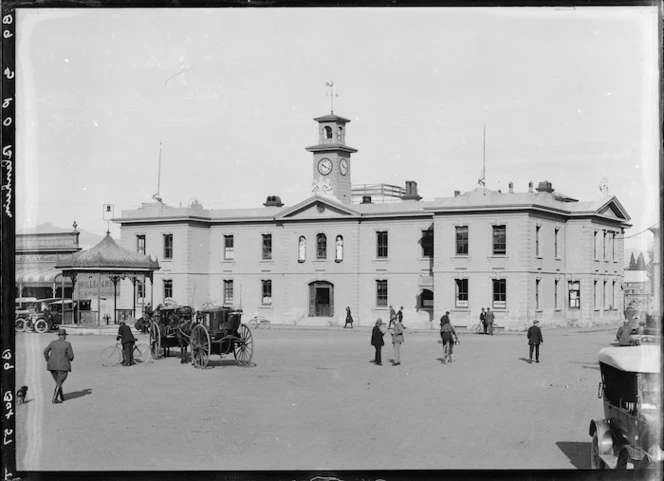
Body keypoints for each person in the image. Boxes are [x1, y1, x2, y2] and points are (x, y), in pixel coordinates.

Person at [43, 328, 74, 404]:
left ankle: (62, 396)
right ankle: (54, 399)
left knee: (58, 382)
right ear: (64, 336)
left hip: (52, 366)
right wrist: (70, 358)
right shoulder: (67, 344)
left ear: (59, 335)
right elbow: (71, 357)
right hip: (63, 367)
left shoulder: (52, 343)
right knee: (59, 382)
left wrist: (48, 360)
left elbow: (45, 351)